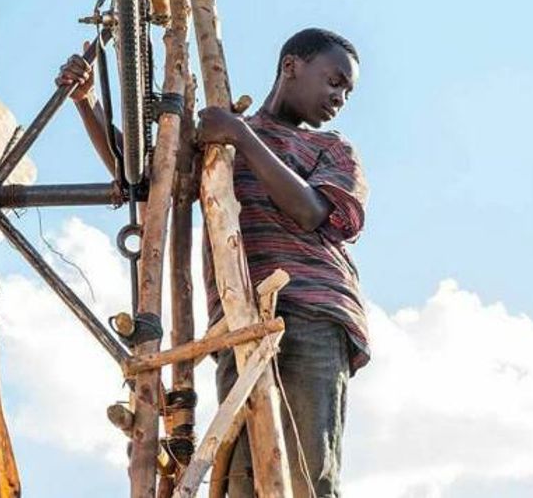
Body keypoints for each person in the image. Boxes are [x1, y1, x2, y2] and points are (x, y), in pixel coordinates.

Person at [56, 27, 369, 498]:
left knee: (307, 473)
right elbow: (148, 177)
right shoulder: (215, 143)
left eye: (347, 90)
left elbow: (310, 212)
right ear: (291, 67)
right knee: (243, 480)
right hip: (236, 322)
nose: (340, 97)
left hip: (311, 311)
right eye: (334, 80)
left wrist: (240, 135)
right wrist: (87, 103)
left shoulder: (330, 149)